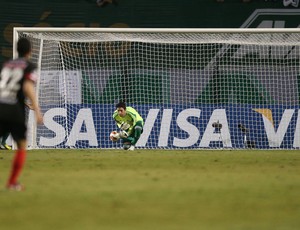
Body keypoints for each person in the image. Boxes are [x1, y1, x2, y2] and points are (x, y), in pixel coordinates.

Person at [0, 37, 43, 191]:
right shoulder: (29, 65)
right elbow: (27, 86)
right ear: (30, 51)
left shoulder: (6, 64)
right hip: (13, 110)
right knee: (21, 145)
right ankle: (12, 183)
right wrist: (37, 109)